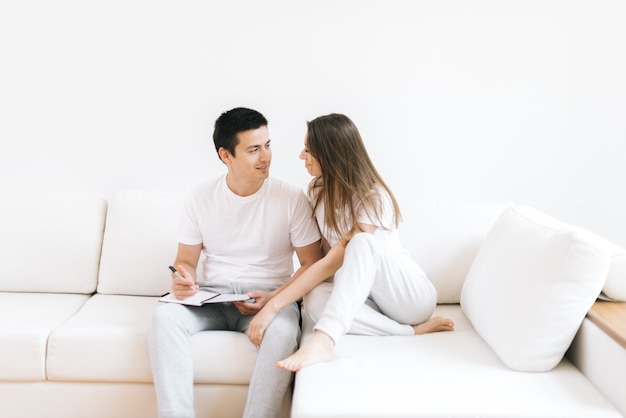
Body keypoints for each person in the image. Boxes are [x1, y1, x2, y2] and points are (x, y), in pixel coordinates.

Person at [147, 107, 322, 418]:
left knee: (282, 333)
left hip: (269, 297)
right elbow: (185, 261)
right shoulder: (200, 198)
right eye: (253, 149)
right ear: (225, 155)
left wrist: (274, 301)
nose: (265, 156)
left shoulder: (291, 197)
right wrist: (182, 279)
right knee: (164, 318)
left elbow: (312, 264)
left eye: (267, 145)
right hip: (213, 298)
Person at [247, 113, 454, 372]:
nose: (302, 156)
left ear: (331, 153)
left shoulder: (372, 197)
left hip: (409, 297)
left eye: (309, 150)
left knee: (361, 243)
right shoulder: (317, 191)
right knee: (314, 298)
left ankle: (325, 340)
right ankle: (408, 332)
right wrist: (272, 297)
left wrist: (274, 306)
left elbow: (333, 261)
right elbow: (321, 265)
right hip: (369, 302)